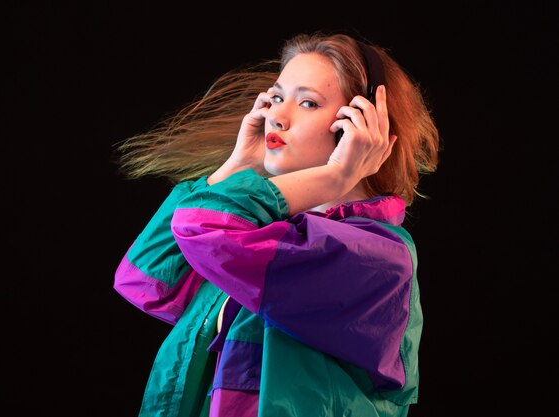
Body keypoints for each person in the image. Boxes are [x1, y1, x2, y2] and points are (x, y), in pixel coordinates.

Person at [113, 31, 439, 417]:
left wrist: (337, 177)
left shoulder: (375, 259)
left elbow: (203, 228)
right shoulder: (267, 237)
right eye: (278, 97)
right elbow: (143, 280)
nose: (277, 116)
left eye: (308, 102)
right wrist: (238, 165)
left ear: (364, 128)